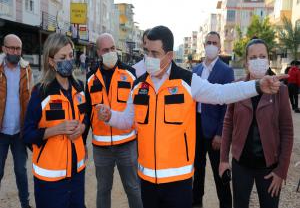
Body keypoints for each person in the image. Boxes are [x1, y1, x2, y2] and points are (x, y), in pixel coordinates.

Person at [96, 26, 286, 208]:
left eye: (155, 54)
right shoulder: (138, 86)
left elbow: (221, 93)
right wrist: (110, 116)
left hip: (178, 183)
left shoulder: (187, 81)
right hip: (147, 182)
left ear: (169, 56)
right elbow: (128, 121)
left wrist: (257, 86)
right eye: (147, 52)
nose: (149, 58)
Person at [219, 39, 294, 208]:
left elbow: (287, 131)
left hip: (269, 168)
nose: (258, 61)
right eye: (253, 57)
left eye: (262, 56)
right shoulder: (237, 88)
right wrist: (224, 159)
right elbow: (228, 123)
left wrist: (281, 171)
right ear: (246, 62)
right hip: (241, 165)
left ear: (268, 60)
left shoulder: (280, 91)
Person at [23, 33, 88, 208]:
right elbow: (27, 135)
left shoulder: (80, 87)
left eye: (70, 55)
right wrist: (55, 130)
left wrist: (82, 127)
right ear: (51, 61)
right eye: (62, 57)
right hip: (50, 180)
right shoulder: (40, 92)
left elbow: (86, 118)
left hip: (77, 175)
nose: (68, 60)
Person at [85, 33, 143, 208]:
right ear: (98, 52)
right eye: (105, 50)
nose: (110, 52)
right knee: (103, 190)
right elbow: (87, 114)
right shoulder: (90, 78)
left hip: (127, 144)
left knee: (133, 188)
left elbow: (139, 110)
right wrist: (82, 143)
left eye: (112, 48)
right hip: (101, 148)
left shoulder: (131, 74)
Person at [192, 31, 233, 208]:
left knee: (220, 172)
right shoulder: (196, 70)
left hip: (215, 131)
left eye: (214, 43)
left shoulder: (226, 71)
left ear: (219, 47)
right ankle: (196, 203)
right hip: (196, 127)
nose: (211, 45)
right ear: (203, 45)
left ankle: (225, 204)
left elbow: (227, 106)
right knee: (197, 170)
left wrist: (220, 133)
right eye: (208, 42)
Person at [0, 34, 32, 208]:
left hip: (19, 132)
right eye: (11, 48)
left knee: (21, 171)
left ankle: (25, 204)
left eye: (18, 48)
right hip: (1, 132)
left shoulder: (26, 70)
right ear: (4, 49)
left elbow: (29, 98)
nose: (15, 51)